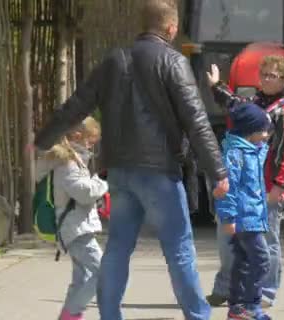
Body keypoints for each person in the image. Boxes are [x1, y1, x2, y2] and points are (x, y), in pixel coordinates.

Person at [33, 2, 229, 319]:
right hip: (159, 172)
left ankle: (110, 316)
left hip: (120, 171)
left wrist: (42, 139)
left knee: (118, 248)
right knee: (179, 250)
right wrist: (217, 172)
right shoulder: (174, 62)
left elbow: (76, 106)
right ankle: (198, 316)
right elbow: (196, 121)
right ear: (171, 28)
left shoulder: (114, 60)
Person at [206, 55, 284, 307]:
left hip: (267, 188)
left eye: (273, 76)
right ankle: (225, 287)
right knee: (228, 236)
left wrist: (280, 186)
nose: (266, 80)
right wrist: (217, 86)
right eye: (264, 75)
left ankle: (266, 292)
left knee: (267, 241)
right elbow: (235, 105)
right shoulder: (256, 102)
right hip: (243, 187)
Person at [36, 117, 108, 320]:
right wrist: (101, 182)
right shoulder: (67, 163)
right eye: (90, 141)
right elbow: (83, 193)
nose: (91, 146)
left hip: (76, 226)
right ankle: (71, 314)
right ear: (77, 136)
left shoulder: (74, 160)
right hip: (75, 228)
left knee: (82, 278)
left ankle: (68, 316)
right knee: (103, 273)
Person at [215, 103, 272, 320]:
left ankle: (237, 306)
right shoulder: (236, 154)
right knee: (262, 259)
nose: (266, 135)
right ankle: (251, 304)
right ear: (249, 131)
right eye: (262, 131)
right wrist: (228, 217)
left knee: (244, 260)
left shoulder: (253, 150)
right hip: (244, 219)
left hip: (253, 217)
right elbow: (228, 190)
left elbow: (264, 146)